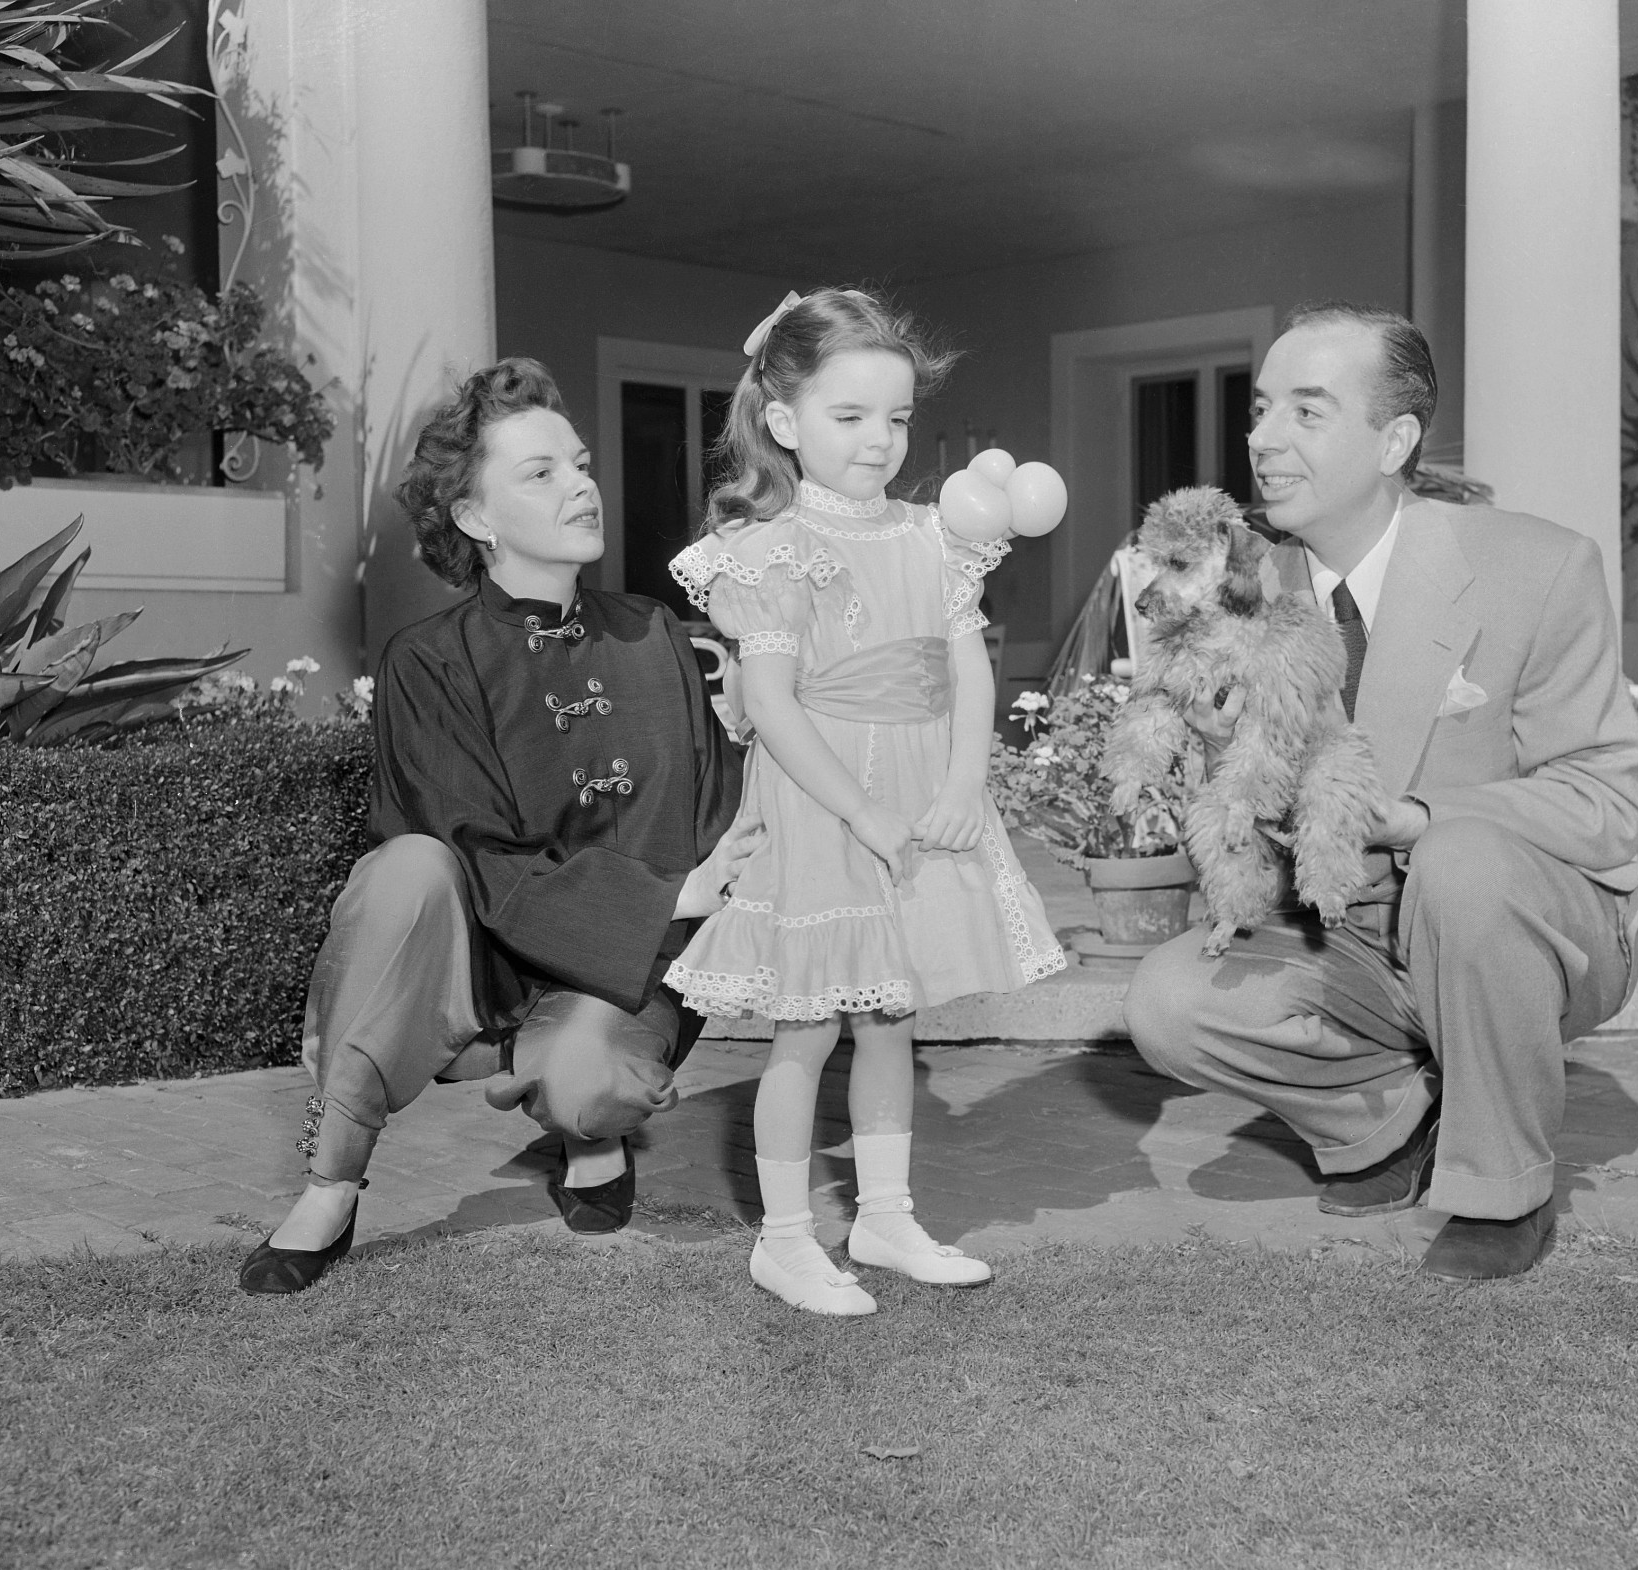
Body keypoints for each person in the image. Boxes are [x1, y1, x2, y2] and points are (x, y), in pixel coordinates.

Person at [1122, 301, 1638, 1281]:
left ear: (1393, 439)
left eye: (1306, 413)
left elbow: (1605, 800)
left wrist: (1422, 817)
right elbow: (1244, 806)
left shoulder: (1534, 567)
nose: (1263, 440)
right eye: (1260, 408)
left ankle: (1503, 1188)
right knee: (1167, 1003)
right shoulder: (1240, 585)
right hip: (1353, 925)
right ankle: (1383, 1122)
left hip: (1526, 919)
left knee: (1456, 863)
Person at [238, 357, 755, 1295]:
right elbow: (463, 846)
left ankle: (581, 1126)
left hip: (624, 965)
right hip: (474, 961)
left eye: (581, 463)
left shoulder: (659, 638)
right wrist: (665, 891)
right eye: (542, 473)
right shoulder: (427, 661)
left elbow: (720, 806)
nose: (583, 484)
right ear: (475, 519)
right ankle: (331, 1183)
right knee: (404, 868)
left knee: (593, 1085)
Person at [667, 288, 1066, 1317]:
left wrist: (963, 781)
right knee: (807, 1024)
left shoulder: (935, 537)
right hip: (822, 799)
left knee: (891, 1013)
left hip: (917, 789)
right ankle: (785, 1237)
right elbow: (771, 703)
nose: (879, 441)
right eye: (849, 419)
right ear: (785, 421)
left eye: (895, 418)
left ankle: (884, 1213)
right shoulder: (772, 548)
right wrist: (861, 812)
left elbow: (966, 667)